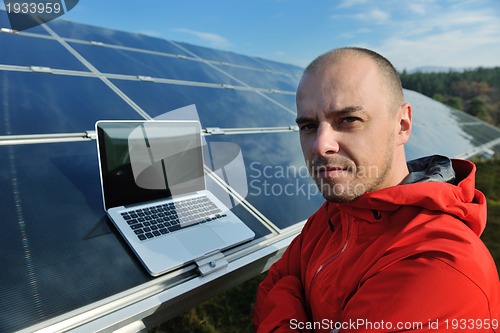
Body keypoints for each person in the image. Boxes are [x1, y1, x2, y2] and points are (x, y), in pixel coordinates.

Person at [253, 47, 499, 332]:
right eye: (309, 126)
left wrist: (287, 295)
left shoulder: (438, 267)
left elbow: (276, 289)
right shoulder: (336, 214)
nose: (320, 145)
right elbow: (271, 283)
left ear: (402, 125)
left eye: (348, 120)